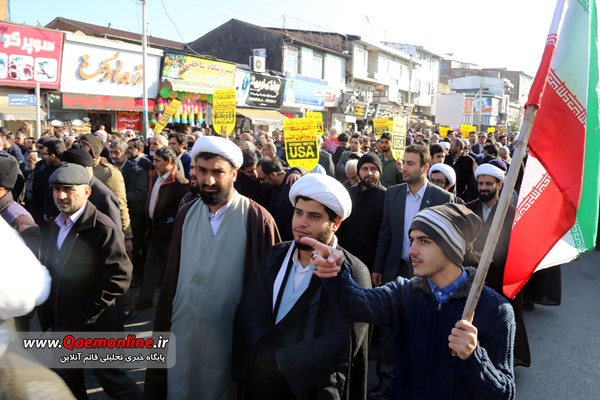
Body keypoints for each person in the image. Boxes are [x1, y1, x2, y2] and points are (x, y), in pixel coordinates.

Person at [307, 203, 516, 399]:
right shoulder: (404, 293)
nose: (412, 251)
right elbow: (356, 305)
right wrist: (336, 273)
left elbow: (504, 392)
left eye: (424, 241)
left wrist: (473, 355)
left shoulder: (495, 309)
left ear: (451, 247)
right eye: (412, 240)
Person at [144, 136, 281, 400]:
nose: (208, 180)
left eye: (217, 172)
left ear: (234, 174)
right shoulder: (186, 214)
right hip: (183, 333)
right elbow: (172, 279)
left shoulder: (257, 220)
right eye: (202, 170)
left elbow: (269, 294)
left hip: (229, 341)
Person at [233, 174, 371, 399]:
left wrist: (282, 360)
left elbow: (343, 341)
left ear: (335, 223)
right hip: (265, 381)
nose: (301, 223)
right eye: (298, 213)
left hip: (315, 387)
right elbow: (250, 310)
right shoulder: (275, 255)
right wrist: (263, 357)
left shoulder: (353, 272)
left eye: (314, 216)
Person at [37, 164, 141, 400]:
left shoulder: (103, 228)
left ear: (87, 192)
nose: (61, 196)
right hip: (64, 324)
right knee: (68, 381)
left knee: (114, 382)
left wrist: (86, 311)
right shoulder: (56, 224)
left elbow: (119, 276)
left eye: (68, 189)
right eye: (57, 189)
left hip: (96, 325)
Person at [370, 144, 456, 399]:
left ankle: (415, 382)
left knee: (420, 327)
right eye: (402, 162)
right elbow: (385, 232)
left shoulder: (442, 198)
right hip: (395, 269)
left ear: (425, 167)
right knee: (389, 326)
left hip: (426, 274)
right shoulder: (393, 193)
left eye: (410, 163)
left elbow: (447, 242)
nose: (403, 168)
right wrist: (378, 267)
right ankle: (386, 382)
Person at [465, 163, 530, 367]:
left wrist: (494, 257)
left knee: (500, 320)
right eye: (481, 183)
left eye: (488, 184)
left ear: (499, 185)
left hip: (500, 277)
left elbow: (518, 247)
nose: (483, 188)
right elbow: (460, 239)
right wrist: (470, 254)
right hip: (471, 275)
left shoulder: (511, 213)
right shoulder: (467, 209)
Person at [136, 147, 188, 309]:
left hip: (170, 236)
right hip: (154, 232)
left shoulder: (179, 182)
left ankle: (172, 305)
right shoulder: (154, 176)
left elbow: (183, 210)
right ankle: (145, 299)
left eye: (158, 161)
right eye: (154, 160)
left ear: (169, 161)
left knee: (172, 271)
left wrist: (170, 224)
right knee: (151, 267)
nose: (154, 164)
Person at [337, 153, 386, 272]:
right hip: (345, 259)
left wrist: (378, 268)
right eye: (365, 169)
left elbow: (386, 237)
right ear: (358, 171)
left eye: (373, 169)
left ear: (380, 172)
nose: (369, 173)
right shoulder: (348, 194)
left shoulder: (386, 197)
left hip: (371, 264)